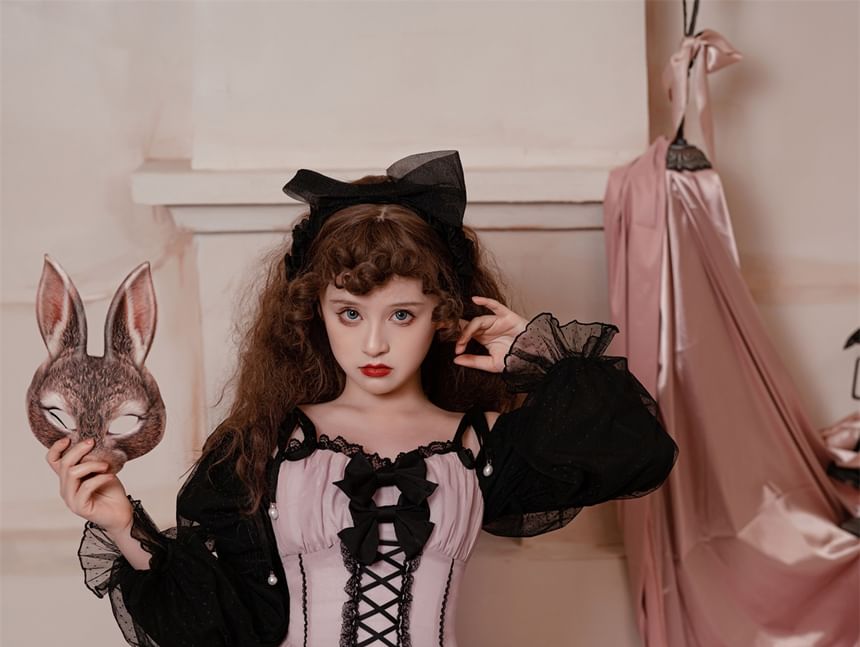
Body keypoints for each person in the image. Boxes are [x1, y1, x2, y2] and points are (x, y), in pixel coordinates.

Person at [47, 151, 678, 647]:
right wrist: (122, 524)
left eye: (402, 314)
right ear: (315, 314)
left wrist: (536, 355)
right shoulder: (267, 444)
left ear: (443, 315)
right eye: (350, 313)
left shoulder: (481, 443)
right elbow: (218, 626)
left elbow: (639, 452)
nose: (374, 341)